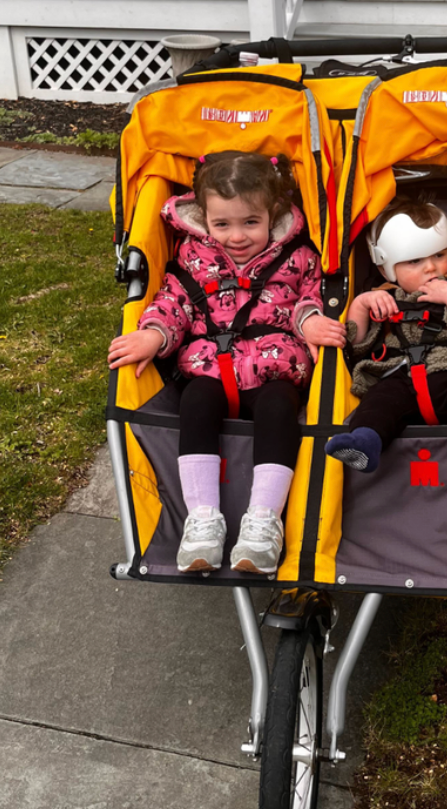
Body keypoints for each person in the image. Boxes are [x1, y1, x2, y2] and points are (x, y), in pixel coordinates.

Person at [108, 151, 346, 575]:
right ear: (203, 217)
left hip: (274, 368)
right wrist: (154, 333)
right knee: (195, 404)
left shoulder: (297, 254)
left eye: (250, 223)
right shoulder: (193, 256)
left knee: (279, 409)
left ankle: (263, 521)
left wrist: (309, 322)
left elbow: (309, 295)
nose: (236, 237)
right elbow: (174, 300)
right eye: (222, 225)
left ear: (272, 214)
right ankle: (202, 520)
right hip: (209, 367)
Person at [325, 196, 447, 473]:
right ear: (387, 268)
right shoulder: (385, 298)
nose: (431, 267)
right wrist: (361, 305)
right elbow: (356, 346)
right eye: (415, 260)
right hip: (399, 376)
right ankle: (364, 442)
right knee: (378, 403)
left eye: (439, 256)